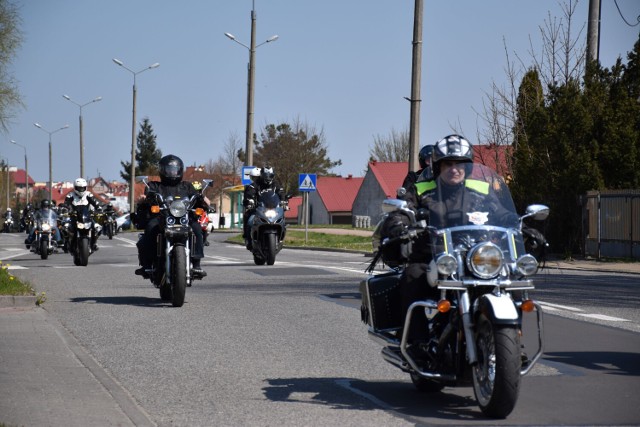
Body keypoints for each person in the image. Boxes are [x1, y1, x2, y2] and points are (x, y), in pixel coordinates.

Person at [399, 134, 516, 353]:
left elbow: (503, 214)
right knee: (412, 275)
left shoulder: (481, 190)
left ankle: (513, 341)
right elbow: (404, 211)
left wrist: (520, 224)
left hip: (476, 257)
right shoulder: (422, 189)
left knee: (512, 277)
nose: (454, 169)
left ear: (468, 166)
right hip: (434, 255)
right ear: (438, 166)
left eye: (460, 163)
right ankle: (417, 342)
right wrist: (399, 223)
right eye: (448, 164)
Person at [135, 154, 208, 278]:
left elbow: (200, 199)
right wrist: (143, 199)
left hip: (184, 218)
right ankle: (147, 264)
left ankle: (196, 264)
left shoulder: (187, 186)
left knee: (196, 228)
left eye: (174, 170)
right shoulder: (154, 186)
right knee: (150, 227)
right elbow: (144, 197)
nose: (172, 173)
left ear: (179, 170)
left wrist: (203, 198)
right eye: (169, 170)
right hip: (161, 218)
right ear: (163, 170)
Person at [63, 178, 103, 251]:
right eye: (79, 188)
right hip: (74, 217)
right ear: (75, 187)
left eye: (83, 188)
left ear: (85, 187)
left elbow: (95, 202)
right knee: (65, 227)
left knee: (98, 228)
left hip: (86, 217)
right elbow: (66, 204)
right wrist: (65, 209)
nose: (81, 190)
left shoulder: (88, 194)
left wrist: (99, 209)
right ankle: (67, 243)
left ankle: (94, 243)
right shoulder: (70, 195)